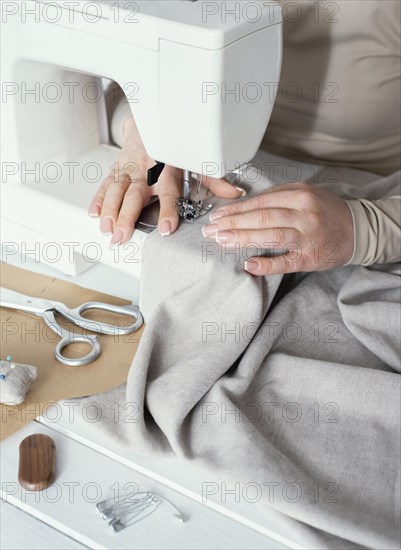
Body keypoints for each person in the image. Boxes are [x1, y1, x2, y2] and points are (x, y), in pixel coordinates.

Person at [89, 0, 400, 275]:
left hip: (369, 189)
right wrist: (146, 128)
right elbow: (123, 71)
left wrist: (362, 229)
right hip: (222, 172)